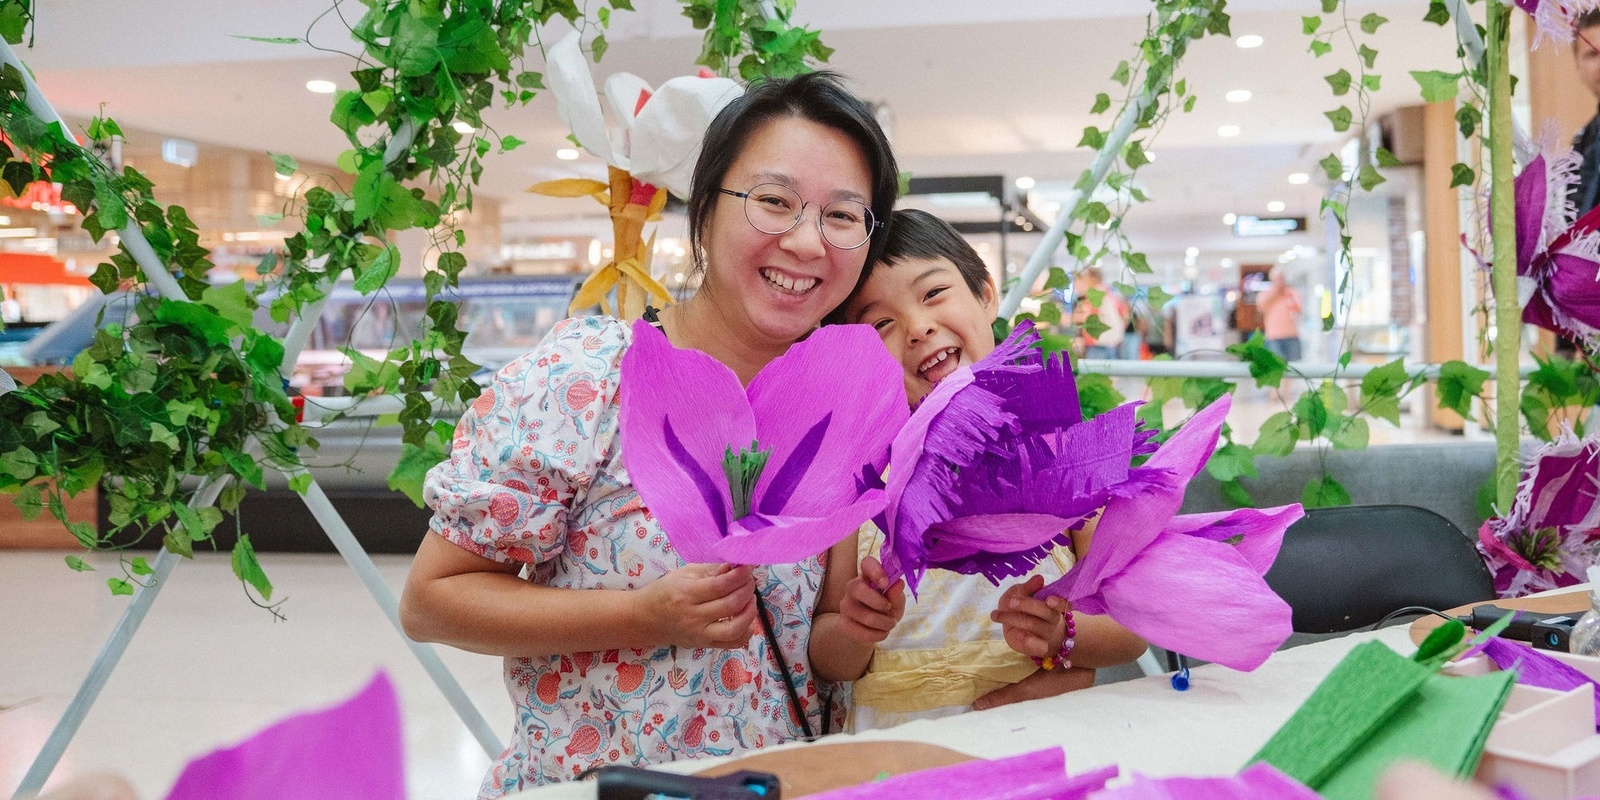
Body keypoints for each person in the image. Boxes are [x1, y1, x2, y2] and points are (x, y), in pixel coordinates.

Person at [399, 71, 904, 795]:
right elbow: (431, 600)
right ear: (704, 207)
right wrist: (641, 615)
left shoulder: (840, 413)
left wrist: (859, 626)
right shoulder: (591, 380)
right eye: (773, 201)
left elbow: (817, 653)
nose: (805, 240)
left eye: (844, 216)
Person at [835, 209, 1148, 730]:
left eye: (932, 293)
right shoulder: (861, 477)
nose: (917, 327)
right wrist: (855, 627)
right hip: (894, 747)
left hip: (1036, 737)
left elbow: (1129, 627)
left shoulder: (1063, 452)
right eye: (881, 323)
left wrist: (1062, 636)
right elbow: (829, 654)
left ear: (985, 292)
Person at [1072, 267, 1127, 360]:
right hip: (1112, 344)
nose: (1077, 284)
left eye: (1083, 279)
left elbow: (1084, 319)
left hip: (1098, 345)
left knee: (1095, 373)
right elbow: (1125, 315)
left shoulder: (1095, 295)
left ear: (1091, 279)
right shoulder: (1110, 294)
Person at [1257, 266, 1303, 362]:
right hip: (1274, 337)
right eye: (1277, 279)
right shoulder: (1265, 294)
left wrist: (1288, 294)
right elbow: (1261, 307)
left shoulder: (1291, 293)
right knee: (1278, 365)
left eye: (1281, 278)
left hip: (1292, 335)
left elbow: (1298, 309)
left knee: (1294, 366)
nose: (1280, 281)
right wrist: (1275, 292)